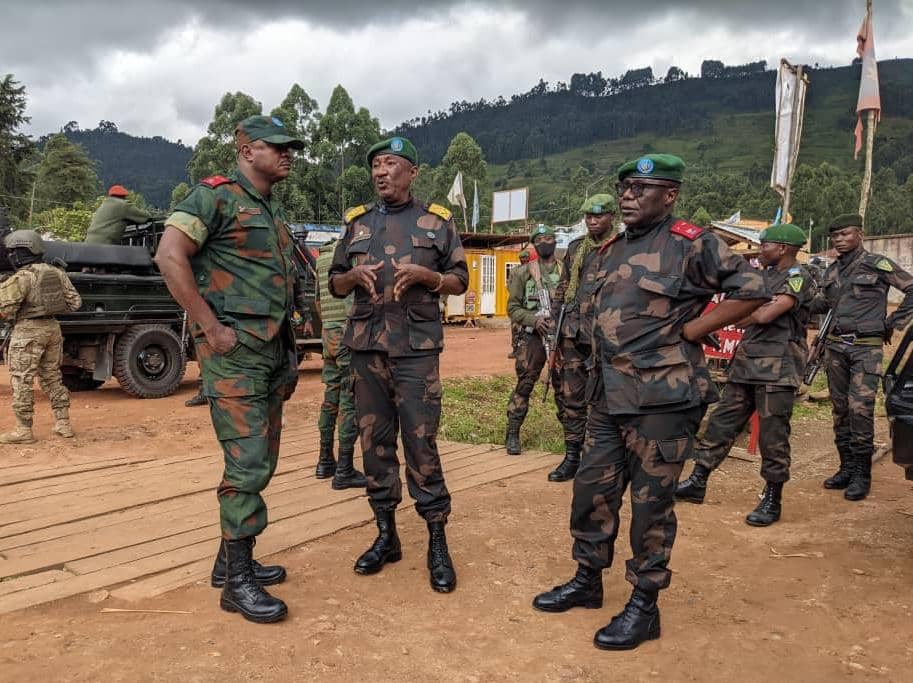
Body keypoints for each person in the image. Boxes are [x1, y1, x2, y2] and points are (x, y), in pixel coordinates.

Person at [532, 154, 768, 650]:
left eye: (642, 189)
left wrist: (696, 328)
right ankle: (588, 580)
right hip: (607, 397)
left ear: (670, 194)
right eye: (624, 189)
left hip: (662, 401)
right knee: (590, 493)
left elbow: (751, 290)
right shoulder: (608, 250)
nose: (627, 197)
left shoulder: (691, 242)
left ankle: (644, 606)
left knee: (650, 507)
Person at [155, 115, 305, 623]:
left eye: (292, 148)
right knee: (247, 465)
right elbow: (169, 255)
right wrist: (210, 328)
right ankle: (236, 584)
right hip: (236, 353)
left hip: (270, 352)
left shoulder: (267, 209)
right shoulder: (213, 197)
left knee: (260, 459)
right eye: (278, 146)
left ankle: (230, 561)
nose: (288, 154)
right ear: (245, 149)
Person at [329, 136, 468, 593]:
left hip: (416, 352)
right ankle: (386, 535)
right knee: (375, 444)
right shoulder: (357, 224)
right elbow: (333, 282)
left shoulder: (437, 223)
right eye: (375, 165)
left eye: (390, 164)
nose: (380, 172)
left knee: (422, 444)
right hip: (367, 349)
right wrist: (350, 277)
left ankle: (436, 541)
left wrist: (432, 278)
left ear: (412, 172)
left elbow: (461, 280)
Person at [676, 223, 816, 525]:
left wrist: (735, 318)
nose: (760, 249)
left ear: (783, 248)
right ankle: (698, 480)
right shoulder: (763, 277)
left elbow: (765, 314)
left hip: (777, 369)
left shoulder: (798, 278)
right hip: (747, 365)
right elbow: (742, 305)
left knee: (773, 437)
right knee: (720, 424)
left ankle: (772, 498)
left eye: (765, 244)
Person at [808, 213, 913, 501]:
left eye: (846, 234)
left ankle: (862, 474)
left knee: (860, 410)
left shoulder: (876, 263)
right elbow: (823, 304)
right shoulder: (831, 271)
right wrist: (797, 299)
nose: (840, 240)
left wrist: (893, 323)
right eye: (835, 236)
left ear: (860, 234)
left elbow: (911, 288)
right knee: (840, 411)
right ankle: (845, 468)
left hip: (866, 349)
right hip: (835, 348)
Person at [548, 194, 617, 482]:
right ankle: (572, 455)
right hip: (573, 333)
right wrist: (555, 328)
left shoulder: (621, 249)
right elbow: (563, 290)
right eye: (588, 216)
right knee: (571, 397)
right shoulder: (577, 248)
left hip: (607, 337)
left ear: (612, 217)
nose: (592, 221)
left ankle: (603, 457)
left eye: (598, 216)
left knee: (609, 399)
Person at [0, 230, 82, 444]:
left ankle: (23, 430)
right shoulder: (57, 273)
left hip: (27, 332)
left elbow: (5, 312)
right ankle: (63, 424)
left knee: (22, 379)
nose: (11, 255)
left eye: (12, 251)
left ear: (21, 252)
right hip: (53, 329)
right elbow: (75, 303)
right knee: (52, 376)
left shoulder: (21, 278)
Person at [504, 225, 564, 455]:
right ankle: (512, 433)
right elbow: (512, 308)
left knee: (565, 388)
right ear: (535, 244)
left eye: (550, 238)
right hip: (533, 338)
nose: (546, 242)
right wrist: (533, 320)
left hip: (560, 337)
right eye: (541, 239)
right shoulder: (523, 272)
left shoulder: (565, 270)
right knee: (525, 383)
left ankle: (573, 440)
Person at [315, 236, 367, 489]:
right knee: (350, 400)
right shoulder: (350, 253)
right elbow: (353, 301)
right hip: (347, 334)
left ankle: (325, 460)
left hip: (328, 335)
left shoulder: (322, 257)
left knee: (330, 397)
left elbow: (317, 300)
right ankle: (345, 468)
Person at [84, 185, 153, 244]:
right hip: (105, 244)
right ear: (123, 196)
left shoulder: (104, 204)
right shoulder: (123, 205)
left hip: (88, 243)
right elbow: (145, 217)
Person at [507, 249, 531, 359]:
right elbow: (509, 286)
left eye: (525, 258)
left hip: (530, 304)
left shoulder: (534, 269)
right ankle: (516, 349)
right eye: (521, 258)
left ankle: (527, 350)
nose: (523, 260)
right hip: (517, 303)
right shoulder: (514, 271)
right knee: (515, 327)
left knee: (529, 328)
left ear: (528, 258)